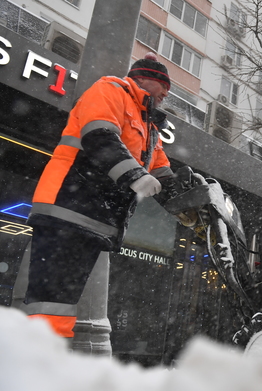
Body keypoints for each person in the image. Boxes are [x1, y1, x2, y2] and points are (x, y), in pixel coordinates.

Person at [20, 52, 175, 338]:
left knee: (61, 302)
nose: (167, 93)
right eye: (163, 86)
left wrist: (192, 201)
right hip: (67, 208)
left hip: (92, 217)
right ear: (144, 80)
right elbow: (99, 136)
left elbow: (163, 173)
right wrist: (134, 176)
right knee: (51, 301)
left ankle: (42, 357)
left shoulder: (150, 128)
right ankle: (33, 360)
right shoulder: (111, 89)